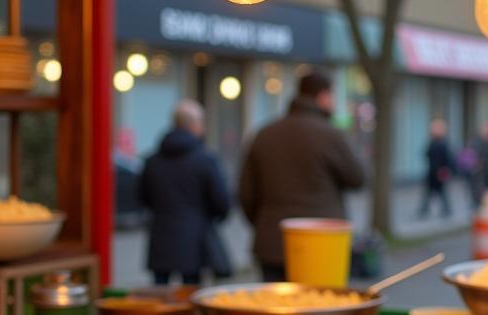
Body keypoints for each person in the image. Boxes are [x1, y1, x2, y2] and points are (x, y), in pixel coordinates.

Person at [239, 69, 365, 281]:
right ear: (323, 96)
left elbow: (245, 194)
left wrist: (264, 222)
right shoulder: (330, 135)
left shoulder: (264, 134)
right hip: (321, 244)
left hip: (272, 242)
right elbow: (358, 178)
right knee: (319, 309)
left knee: (274, 309)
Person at [140, 100, 231, 286]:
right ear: (194, 125)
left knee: (160, 297)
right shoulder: (205, 159)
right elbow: (221, 201)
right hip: (194, 240)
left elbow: (142, 197)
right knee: (191, 295)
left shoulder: (153, 160)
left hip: (160, 237)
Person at [420, 118, 456, 217]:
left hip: (440, 172)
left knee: (442, 192)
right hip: (432, 172)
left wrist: (446, 169)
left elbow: (448, 158)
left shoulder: (444, 143)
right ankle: (424, 209)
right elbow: (426, 154)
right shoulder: (432, 142)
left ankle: (446, 209)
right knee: (429, 192)